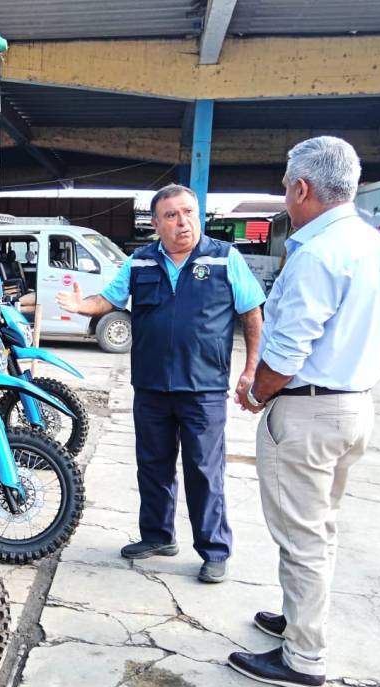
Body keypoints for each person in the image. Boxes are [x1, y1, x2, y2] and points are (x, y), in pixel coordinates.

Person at [227, 137, 380, 687]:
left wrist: (257, 393)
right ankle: (296, 619)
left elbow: (287, 353)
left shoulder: (319, 253)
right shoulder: (372, 244)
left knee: (301, 537)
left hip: (309, 413)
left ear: (302, 188)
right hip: (352, 406)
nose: (285, 197)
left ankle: (303, 658)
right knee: (318, 527)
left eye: (285, 188)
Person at [56, 184, 265, 583]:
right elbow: (110, 299)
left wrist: (251, 369)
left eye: (188, 213)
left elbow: (251, 313)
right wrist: (82, 305)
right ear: (156, 224)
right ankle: (157, 536)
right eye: (171, 215)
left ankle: (214, 550)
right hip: (151, 386)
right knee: (153, 465)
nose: (182, 222)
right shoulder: (140, 262)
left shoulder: (224, 259)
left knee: (204, 470)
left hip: (203, 388)